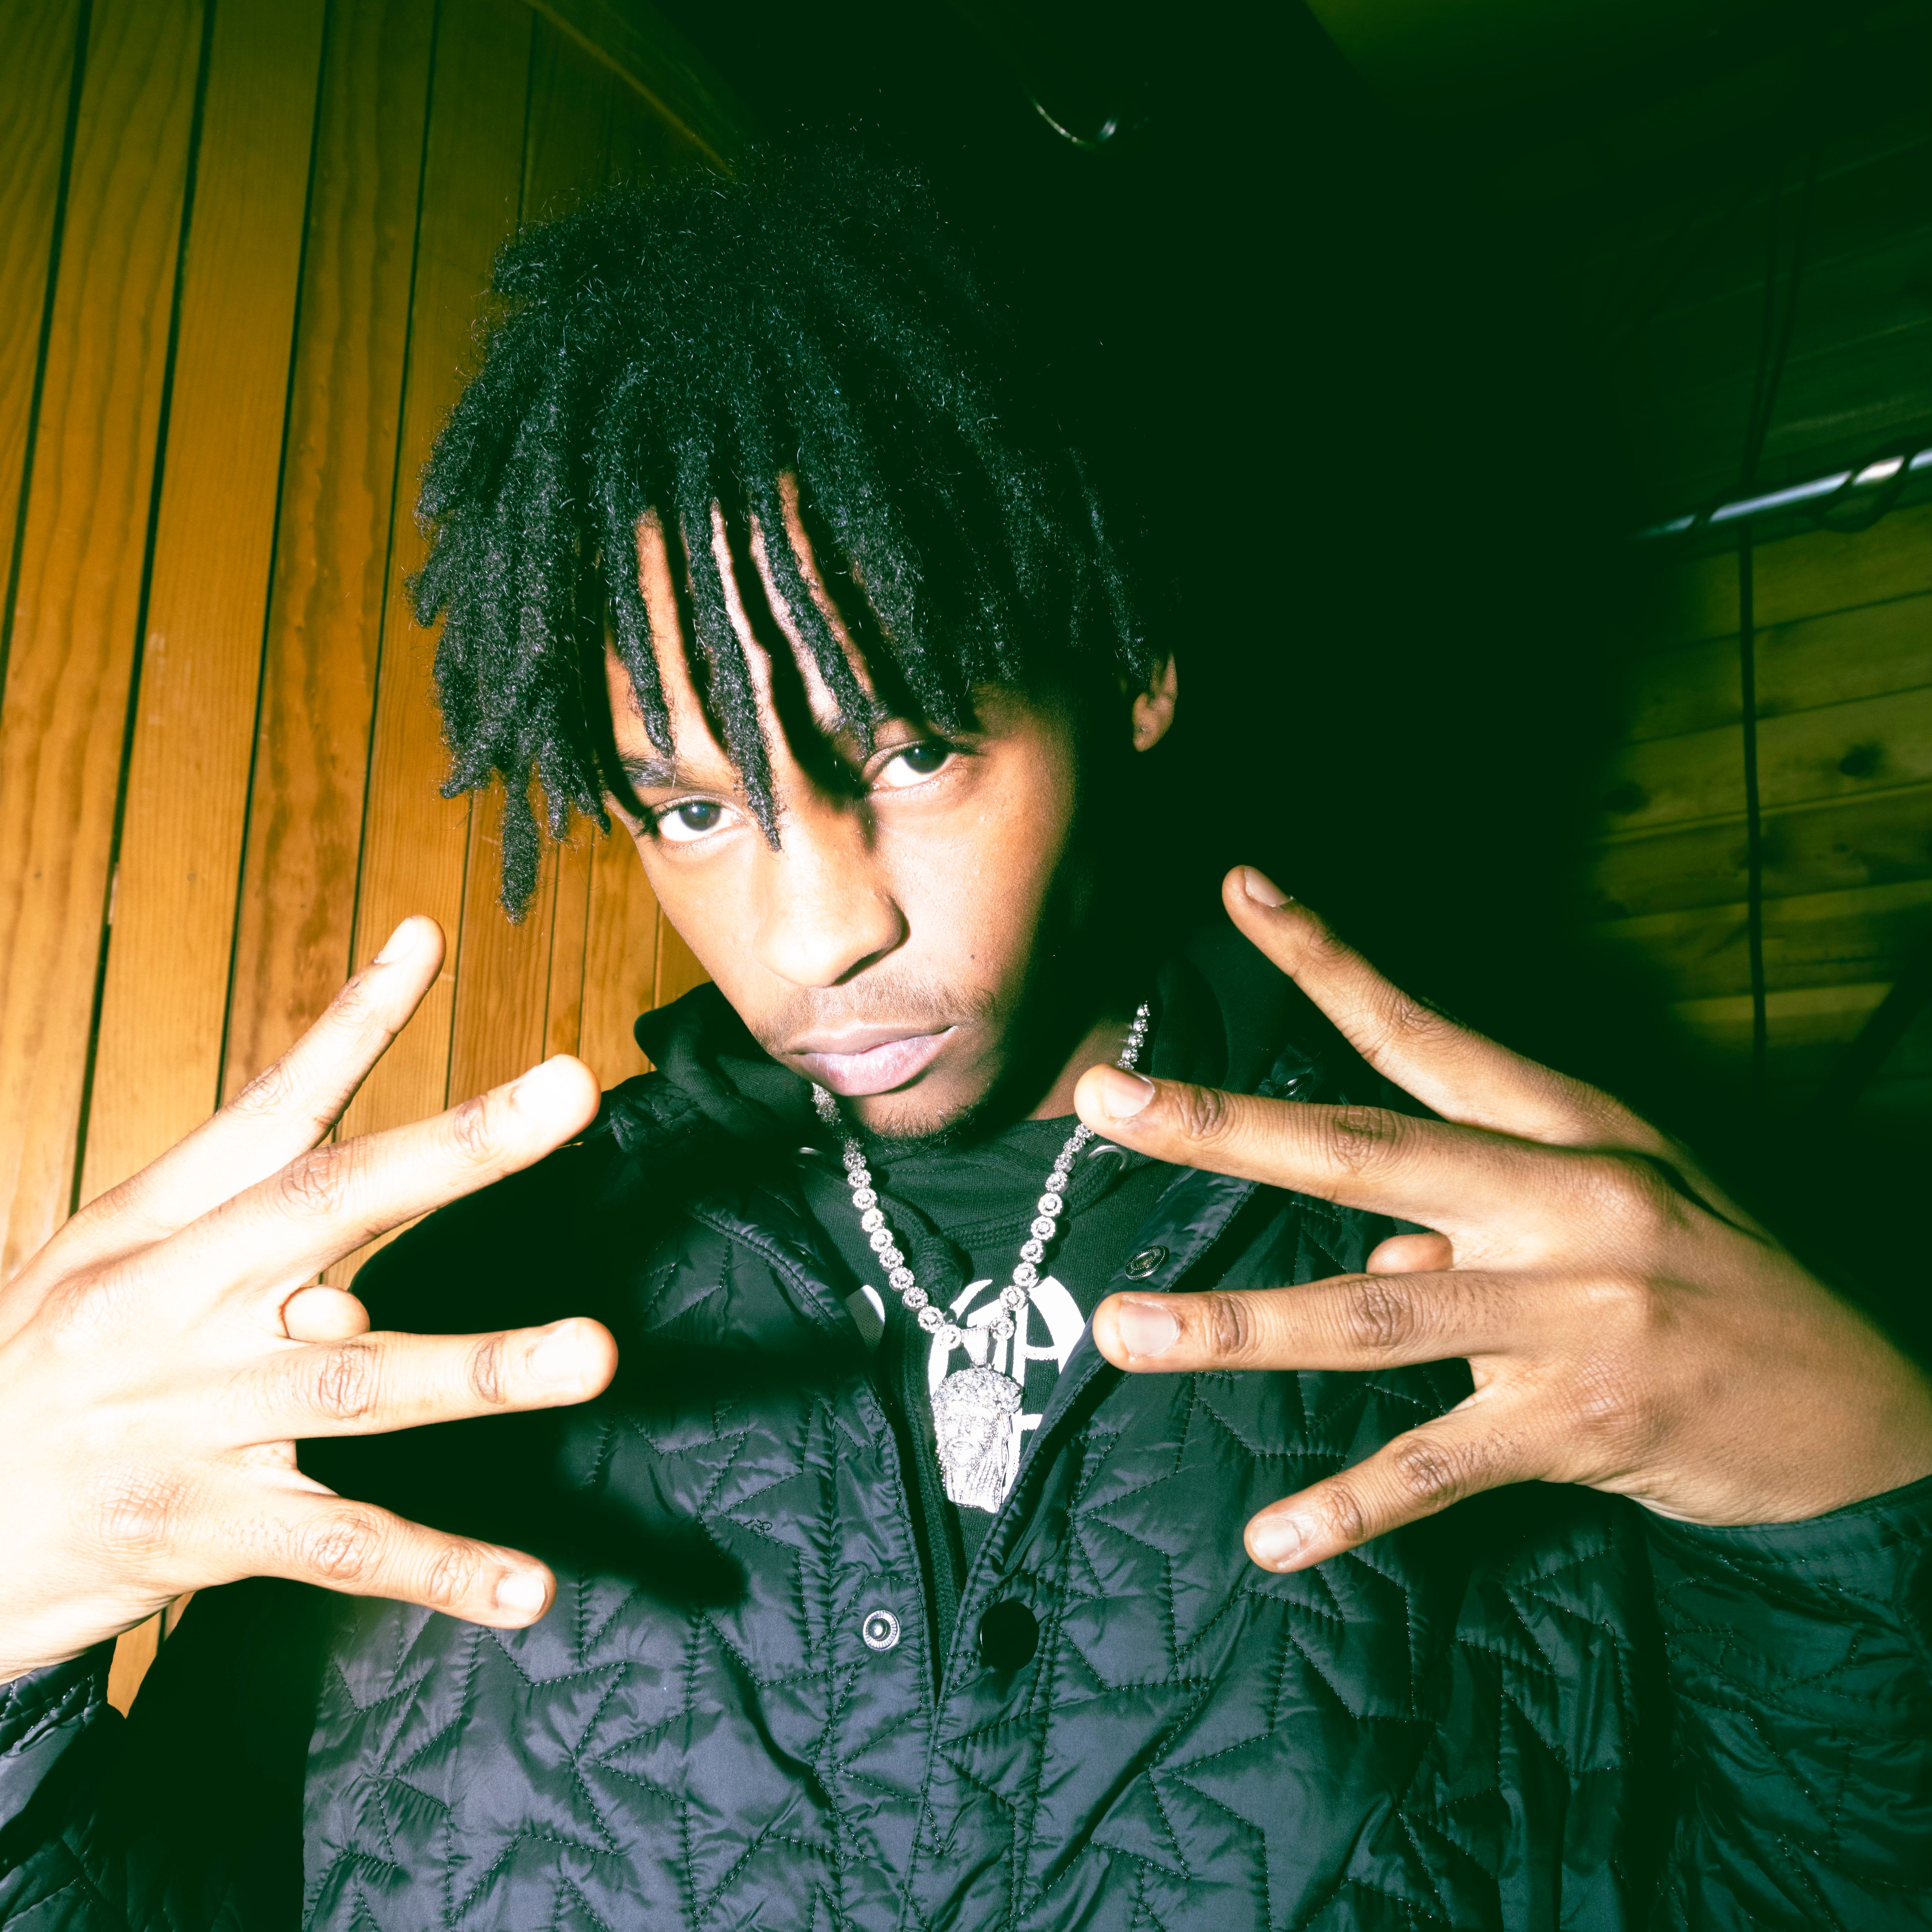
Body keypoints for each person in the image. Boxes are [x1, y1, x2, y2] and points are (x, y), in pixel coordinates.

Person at [2, 153, 1929, 1932]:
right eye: (693, 807)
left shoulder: (1527, 1289)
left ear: (1128, 664)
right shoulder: (471, 1313)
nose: (816, 932)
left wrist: (1865, 1513)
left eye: (914, 750)